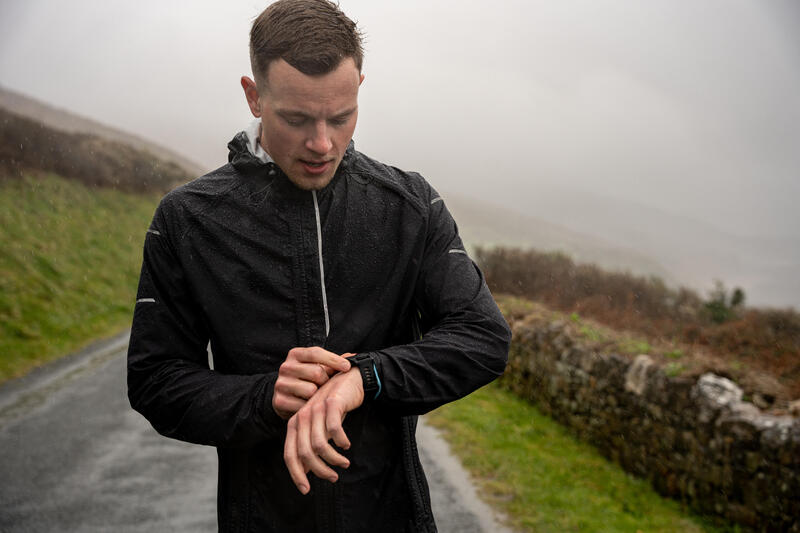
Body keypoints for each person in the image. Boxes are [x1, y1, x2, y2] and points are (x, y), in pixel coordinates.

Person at [127, 0, 511, 531]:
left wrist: (364, 377)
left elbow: (482, 338)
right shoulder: (186, 218)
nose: (322, 144)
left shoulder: (410, 205)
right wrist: (265, 396)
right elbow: (155, 381)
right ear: (254, 96)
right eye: (297, 119)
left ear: (359, 89)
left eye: (342, 116)